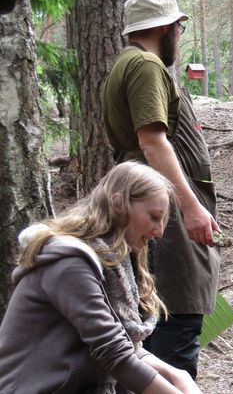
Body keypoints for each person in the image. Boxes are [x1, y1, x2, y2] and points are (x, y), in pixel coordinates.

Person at [0, 162, 201, 394]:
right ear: (118, 204)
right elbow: (113, 350)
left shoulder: (115, 265)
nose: (159, 231)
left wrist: (177, 374)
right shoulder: (69, 262)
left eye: (163, 220)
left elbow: (127, 346)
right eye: (154, 216)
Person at [102, 0, 220, 379]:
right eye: (180, 29)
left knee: (158, 318)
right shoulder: (146, 66)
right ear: (168, 28)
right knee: (177, 321)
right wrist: (190, 207)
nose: (180, 37)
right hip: (163, 207)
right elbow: (152, 140)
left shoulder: (129, 64)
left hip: (154, 200)